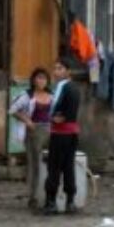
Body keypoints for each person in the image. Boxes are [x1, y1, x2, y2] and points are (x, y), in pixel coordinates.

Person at [9, 68, 52, 210]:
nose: (41, 81)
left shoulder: (51, 95)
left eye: (44, 78)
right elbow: (12, 110)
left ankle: (48, 195)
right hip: (34, 132)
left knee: (50, 164)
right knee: (35, 165)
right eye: (38, 78)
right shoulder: (27, 95)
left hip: (50, 131)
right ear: (33, 80)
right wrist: (27, 121)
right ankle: (33, 197)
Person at [43, 58, 81, 215]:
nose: (56, 71)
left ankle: (51, 202)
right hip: (72, 133)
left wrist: (53, 118)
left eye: (59, 68)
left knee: (54, 167)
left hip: (60, 132)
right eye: (55, 68)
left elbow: (57, 113)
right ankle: (70, 201)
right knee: (68, 166)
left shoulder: (62, 87)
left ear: (68, 71)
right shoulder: (75, 88)